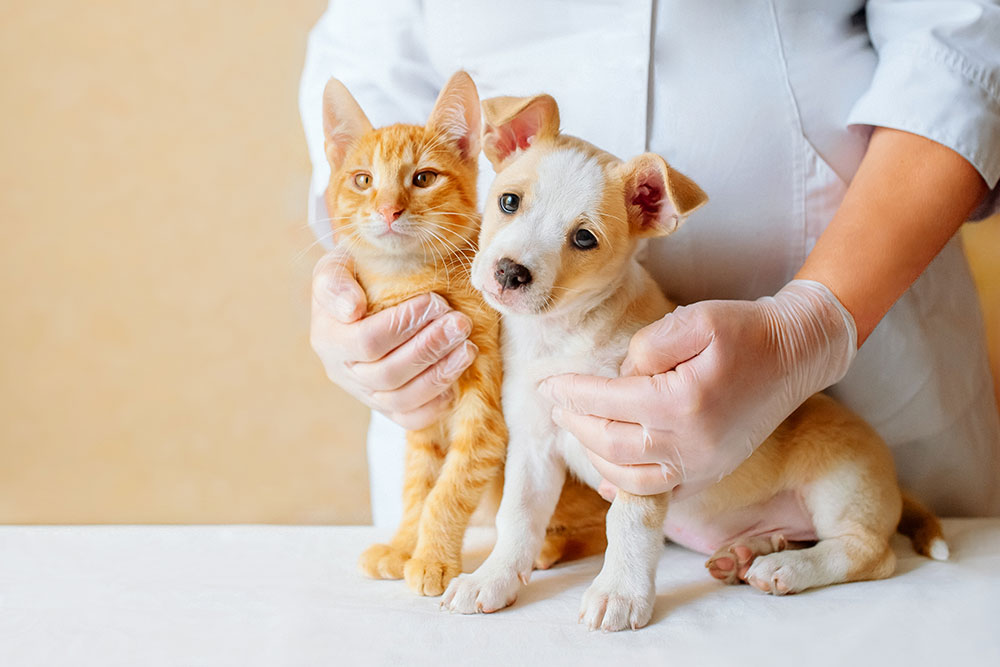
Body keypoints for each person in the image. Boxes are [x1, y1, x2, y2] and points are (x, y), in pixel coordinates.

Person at [300, 0, 1000, 527]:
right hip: (499, 412)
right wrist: (363, 271)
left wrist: (810, 327)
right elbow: (369, 79)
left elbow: (958, 43)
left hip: (862, 340)